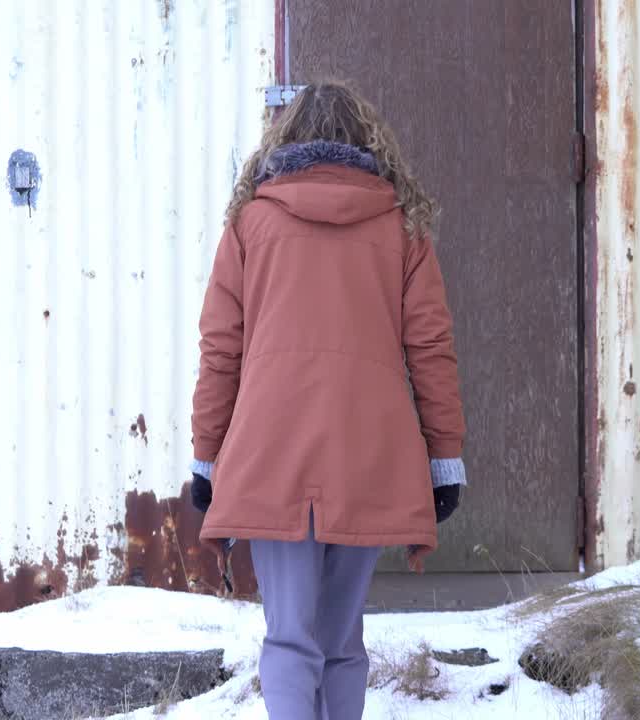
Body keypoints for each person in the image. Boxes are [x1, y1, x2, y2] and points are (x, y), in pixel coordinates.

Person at [187, 81, 467, 720]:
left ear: (285, 138)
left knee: (290, 637)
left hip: (271, 452)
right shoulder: (402, 225)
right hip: (368, 453)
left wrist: (206, 456)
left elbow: (220, 349)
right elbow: (431, 348)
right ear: (368, 141)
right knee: (341, 640)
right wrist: (444, 458)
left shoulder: (251, 222)